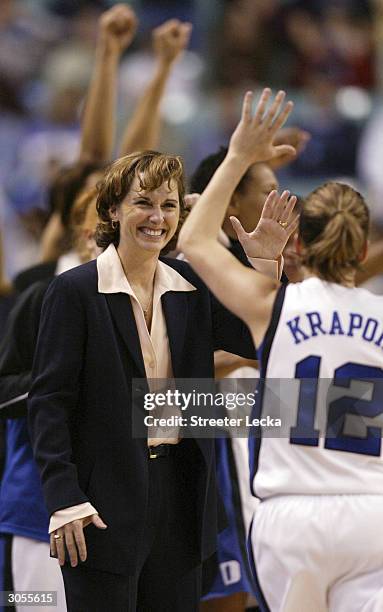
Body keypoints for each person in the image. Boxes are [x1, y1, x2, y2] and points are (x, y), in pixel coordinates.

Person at [27, 138, 299, 610]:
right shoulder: (73, 291)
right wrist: (63, 497)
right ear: (112, 210)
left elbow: (260, 337)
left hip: (182, 496)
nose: (158, 217)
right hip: (100, 502)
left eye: (169, 205)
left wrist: (264, 265)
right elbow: (49, 402)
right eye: (144, 204)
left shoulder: (190, 284)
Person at [179, 88, 383, 612]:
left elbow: (195, 239)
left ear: (300, 241)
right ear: (362, 250)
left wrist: (238, 154)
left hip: (293, 518)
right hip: (373, 515)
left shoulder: (272, 305)